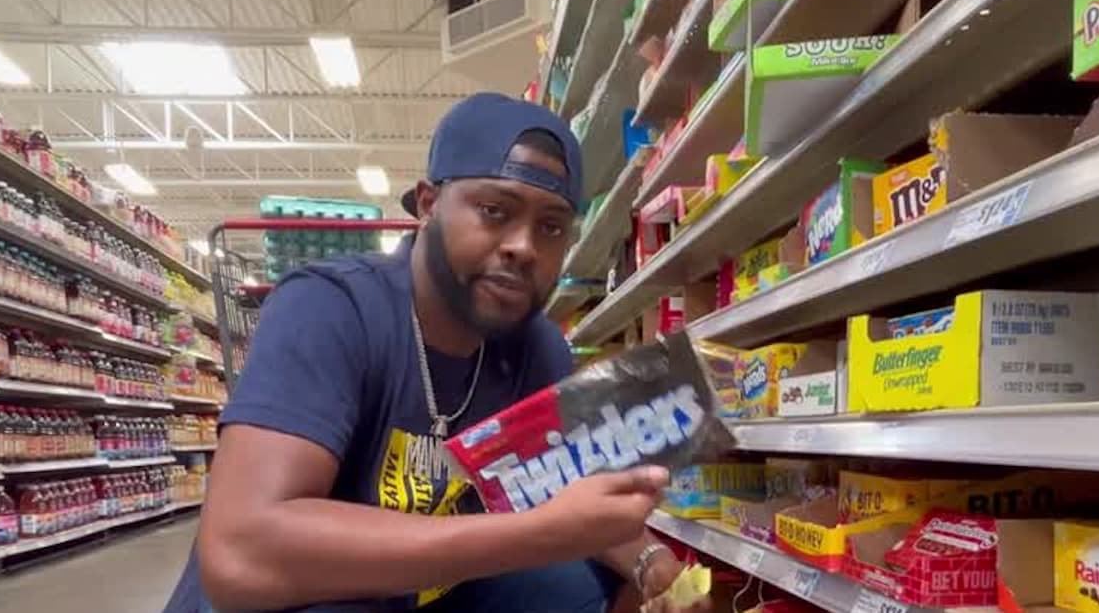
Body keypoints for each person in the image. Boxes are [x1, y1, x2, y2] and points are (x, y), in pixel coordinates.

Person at [161, 93, 705, 613]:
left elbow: (569, 499)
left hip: (420, 594)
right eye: (494, 210)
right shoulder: (330, 309)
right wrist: (533, 533)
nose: (523, 246)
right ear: (428, 205)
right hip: (298, 600)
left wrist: (651, 563)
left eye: (551, 227)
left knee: (576, 585)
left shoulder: (536, 348)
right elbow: (241, 553)